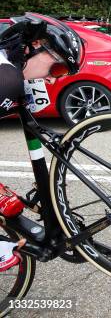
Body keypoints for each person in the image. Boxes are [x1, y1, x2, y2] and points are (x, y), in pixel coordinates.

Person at [0, 15, 83, 271]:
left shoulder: (9, 73)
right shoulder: (7, 77)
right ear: (32, 47)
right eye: (57, 69)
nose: (54, 79)